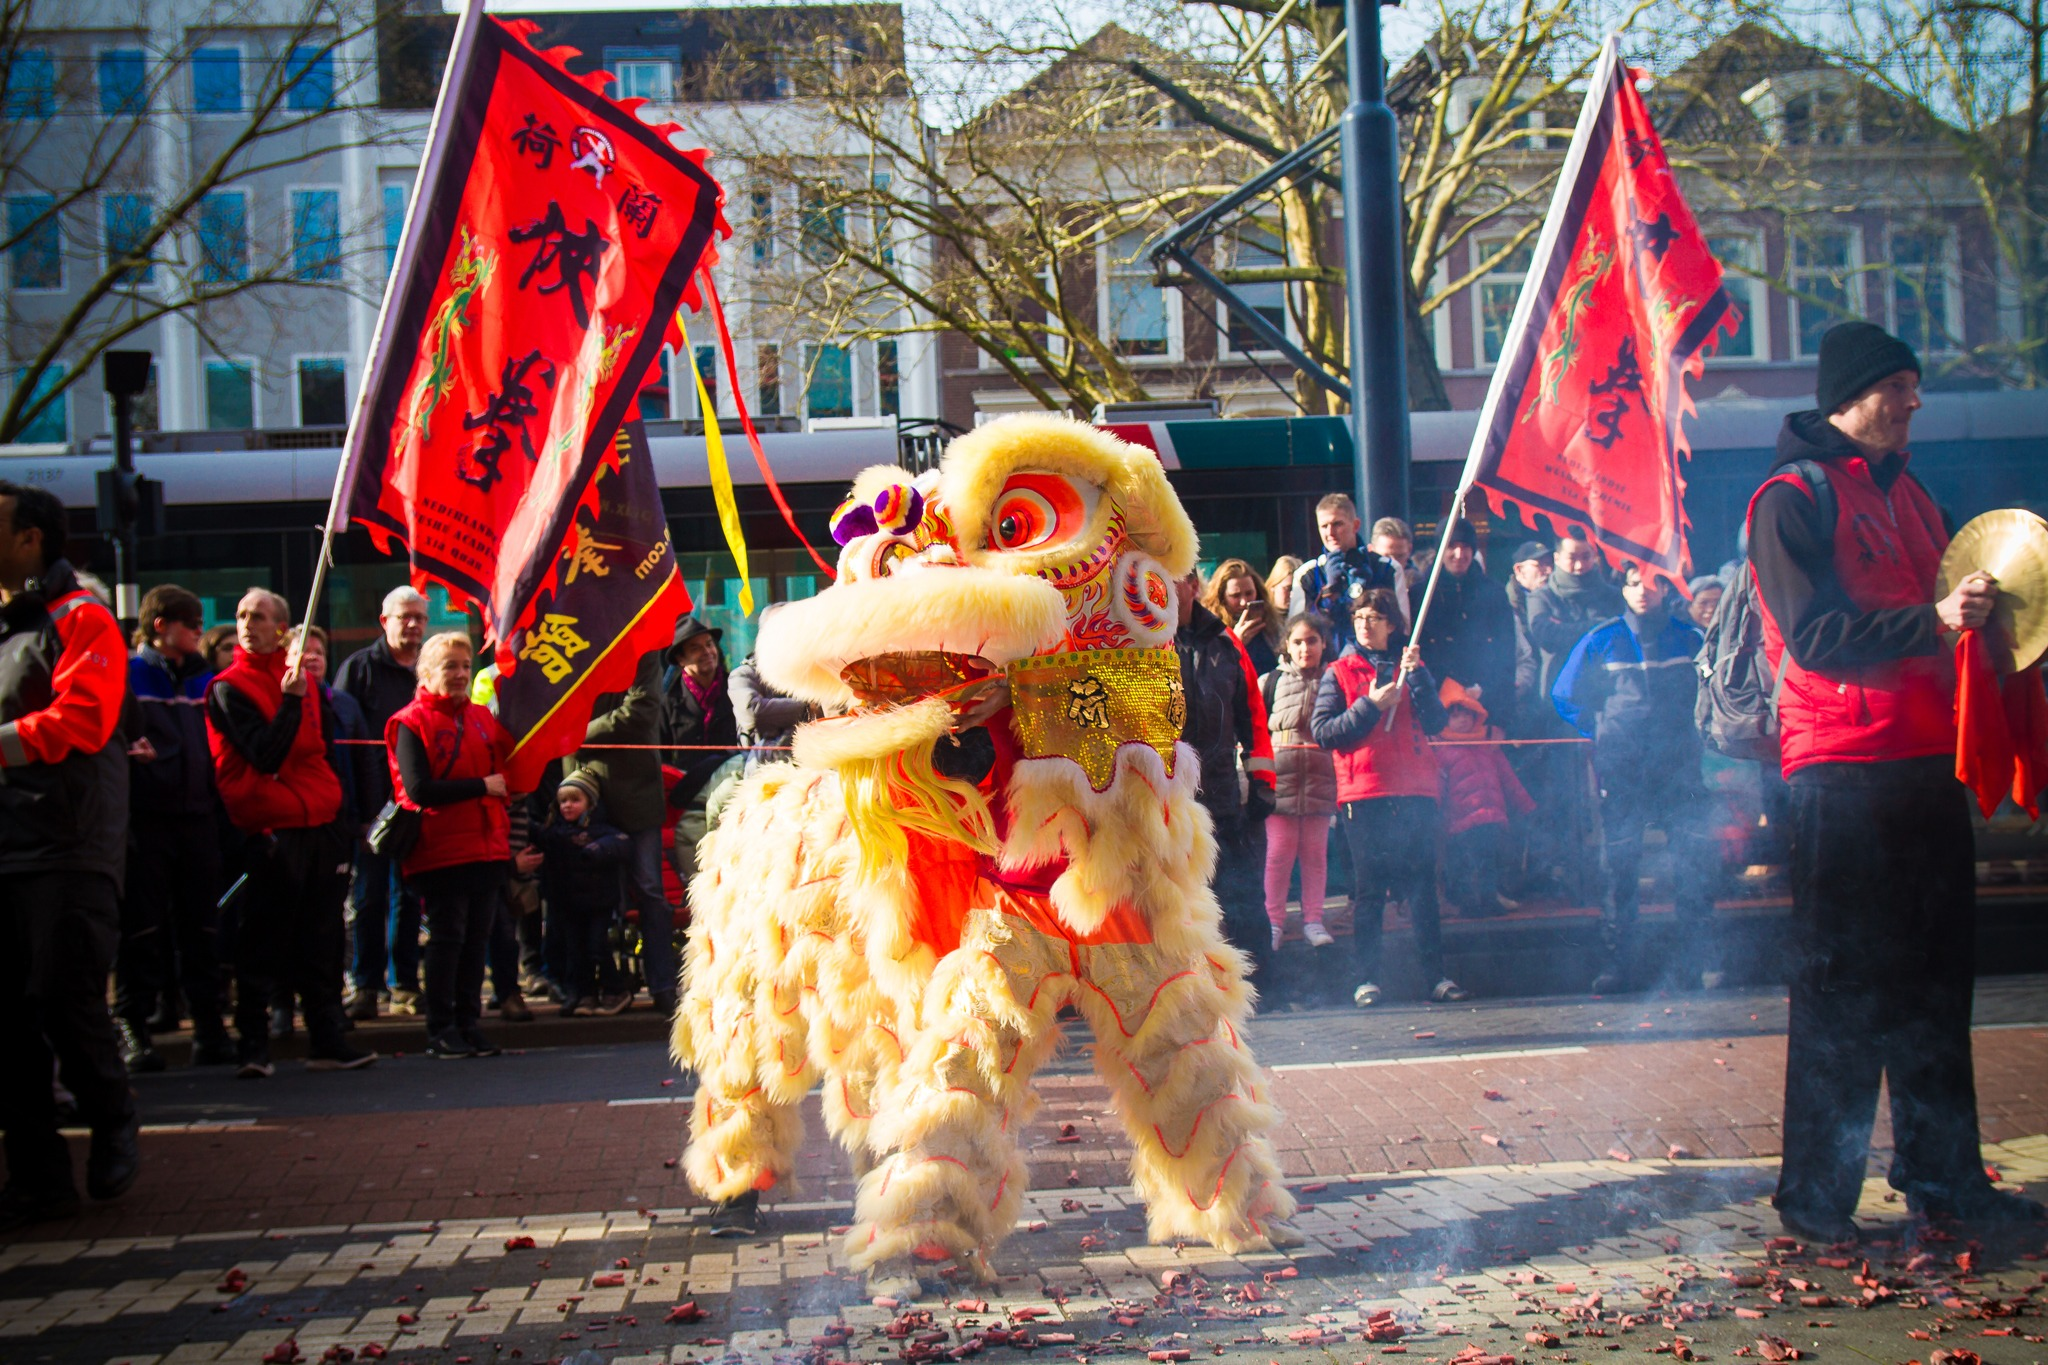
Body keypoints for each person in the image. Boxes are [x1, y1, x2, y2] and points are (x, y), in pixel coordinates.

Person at [1748, 320, 2044, 1241]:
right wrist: (1938, 619)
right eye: (1900, 388)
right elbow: (1816, 637)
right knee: (1841, 989)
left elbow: (1955, 615)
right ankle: (1815, 1200)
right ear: (1852, 398)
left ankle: (1946, 1178)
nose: (1914, 402)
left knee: (1933, 983)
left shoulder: (1911, 493)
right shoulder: (1788, 498)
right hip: (1842, 770)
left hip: (1922, 760)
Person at [0, 480, 141, 1229]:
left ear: (30, 539)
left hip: (64, 840)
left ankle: (113, 1113)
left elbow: (83, 719)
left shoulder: (80, 617)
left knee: (62, 995)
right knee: (7, 1021)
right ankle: (37, 1173)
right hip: (7, 843)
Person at [206, 588, 375, 1077]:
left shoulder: (304, 685)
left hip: (319, 820)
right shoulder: (228, 687)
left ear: (281, 628)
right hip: (271, 825)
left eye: (257, 616)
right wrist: (289, 702)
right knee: (263, 937)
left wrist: (339, 811)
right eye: (241, 615)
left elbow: (320, 751)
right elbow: (265, 754)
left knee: (321, 936)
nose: (246, 623)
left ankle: (326, 1038)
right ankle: (253, 1045)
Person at [1552, 565, 1719, 994]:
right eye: (1632, 583)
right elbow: (1564, 695)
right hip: (1624, 772)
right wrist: (1601, 729)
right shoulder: (1601, 639)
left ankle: (1693, 965)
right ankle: (1620, 966)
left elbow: (1716, 691)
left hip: (1679, 771)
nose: (1641, 591)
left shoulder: (1690, 639)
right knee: (1619, 871)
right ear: (1622, 590)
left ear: (1666, 587)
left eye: (1651, 582)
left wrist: (1700, 730)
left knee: (1692, 868)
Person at [1311, 587, 1466, 1006]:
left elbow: (1435, 720)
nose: (1365, 623)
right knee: (1369, 889)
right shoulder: (1339, 672)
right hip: (1364, 792)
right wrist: (1370, 706)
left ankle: (1436, 975)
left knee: (1420, 887)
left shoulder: (1411, 666)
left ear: (1392, 625)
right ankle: (1367, 978)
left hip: (1415, 789)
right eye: (1360, 616)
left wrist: (1417, 677)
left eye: (1374, 617)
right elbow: (1325, 731)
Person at [119, 584, 233, 1070]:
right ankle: (134, 1028)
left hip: (197, 818)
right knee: (143, 928)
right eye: (192, 626)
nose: (200, 634)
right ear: (162, 626)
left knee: (202, 926)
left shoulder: (205, 681)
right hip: (147, 820)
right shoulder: (130, 675)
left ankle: (208, 1028)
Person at [386, 631, 515, 1059]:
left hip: (486, 844)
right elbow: (419, 789)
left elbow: (508, 767)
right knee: (448, 938)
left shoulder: (482, 717)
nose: (460, 675)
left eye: (464, 666)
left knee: (476, 939)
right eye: (450, 667)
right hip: (440, 849)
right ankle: (440, 1027)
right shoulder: (409, 722)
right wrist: (482, 786)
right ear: (427, 673)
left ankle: (468, 1022)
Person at [1176, 573, 1276, 986]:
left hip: (1221, 796)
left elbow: (1253, 716)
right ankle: (1185, 989)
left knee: (1242, 897)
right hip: (1167, 801)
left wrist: (1263, 781)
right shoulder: (1141, 641)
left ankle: (1263, 986)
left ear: (1193, 583)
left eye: (1172, 578)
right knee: (1175, 905)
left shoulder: (1227, 644)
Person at [333, 586, 427, 1020]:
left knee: (409, 900)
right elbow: (343, 740)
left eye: (419, 618)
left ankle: (404, 983)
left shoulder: (428, 667)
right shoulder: (359, 670)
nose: (412, 625)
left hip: (418, 804)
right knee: (369, 898)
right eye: (404, 617)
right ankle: (365, 985)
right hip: (373, 806)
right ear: (384, 621)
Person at [657, 616, 741, 1005]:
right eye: (697, 648)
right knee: (701, 890)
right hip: (688, 808)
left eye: (710, 645)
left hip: (732, 800)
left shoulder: (734, 688)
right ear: (680, 659)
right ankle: (705, 969)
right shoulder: (668, 699)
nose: (708, 653)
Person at [1259, 613, 1337, 951]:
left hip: (1322, 780)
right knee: (1278, 854)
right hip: (1281, 783)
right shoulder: (1269, 682)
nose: (1306, 648)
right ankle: (1274, 922)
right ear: (1286, 646)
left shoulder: (1335, 679)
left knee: (1315, 855)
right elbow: (1255, 733)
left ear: (1323, 644)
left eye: (1312, 641)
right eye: (1298, 642)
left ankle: (1313, 920)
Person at [535, 769, 634, 1016]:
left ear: (590, 802)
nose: (568, 806)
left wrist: (596, 850)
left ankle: (615, 989)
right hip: (567, 904)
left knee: (597, 946)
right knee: (574, 951)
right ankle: (582, 994)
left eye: (575, 800)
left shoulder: (602, 830)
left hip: (598, 903)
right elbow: (539, 837)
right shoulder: (555, 832)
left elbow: (621, 844)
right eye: (563, 801)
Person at [1436, 682, 1533, 919]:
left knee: (1489, 862)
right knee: (1465, 864)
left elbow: (1509, 779)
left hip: (1492, 817)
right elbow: (1437, 788)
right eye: (1455, 716)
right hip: (1461, 820)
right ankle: (1469, 902)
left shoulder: (1488, 746)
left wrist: (1525, 804)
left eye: (1467, 714)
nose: (1462, 720)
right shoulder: (1440, 750)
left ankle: (1489, 899)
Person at [1415, 520, 1516, 712]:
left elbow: (1506, 653)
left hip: (1483, 698)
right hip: (1434, 700)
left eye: (1465, 547)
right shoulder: (1420, 594)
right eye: (1451, 547)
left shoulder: (1494, 593)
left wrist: (1488, 690)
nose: (1459, 555)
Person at [1290, 493, 1402, 655]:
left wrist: (1368, 592)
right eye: (1324, 526)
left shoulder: (1388, 568)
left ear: (1355, 525)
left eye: (1337, 524)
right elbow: (1297, 632)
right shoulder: (1307, 574)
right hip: (1326, 668)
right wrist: (1328, 596)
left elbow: (1402, 628)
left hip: (1374, 666)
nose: (1330, 532)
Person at [729, 604, 814, 775]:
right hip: (760, 767)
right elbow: (752, 712)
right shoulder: (743, 675)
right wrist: (806, 706)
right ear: (763, 637)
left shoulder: (809, 673)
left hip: (806, 763)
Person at [1203, 558, 1281, 677]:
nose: (1244, 602)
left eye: (1249, 593)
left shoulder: (1271, 623)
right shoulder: (1210, 628)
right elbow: (1210, 673)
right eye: (1235, 596)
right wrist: (1235, 643)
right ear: (1222, 597)